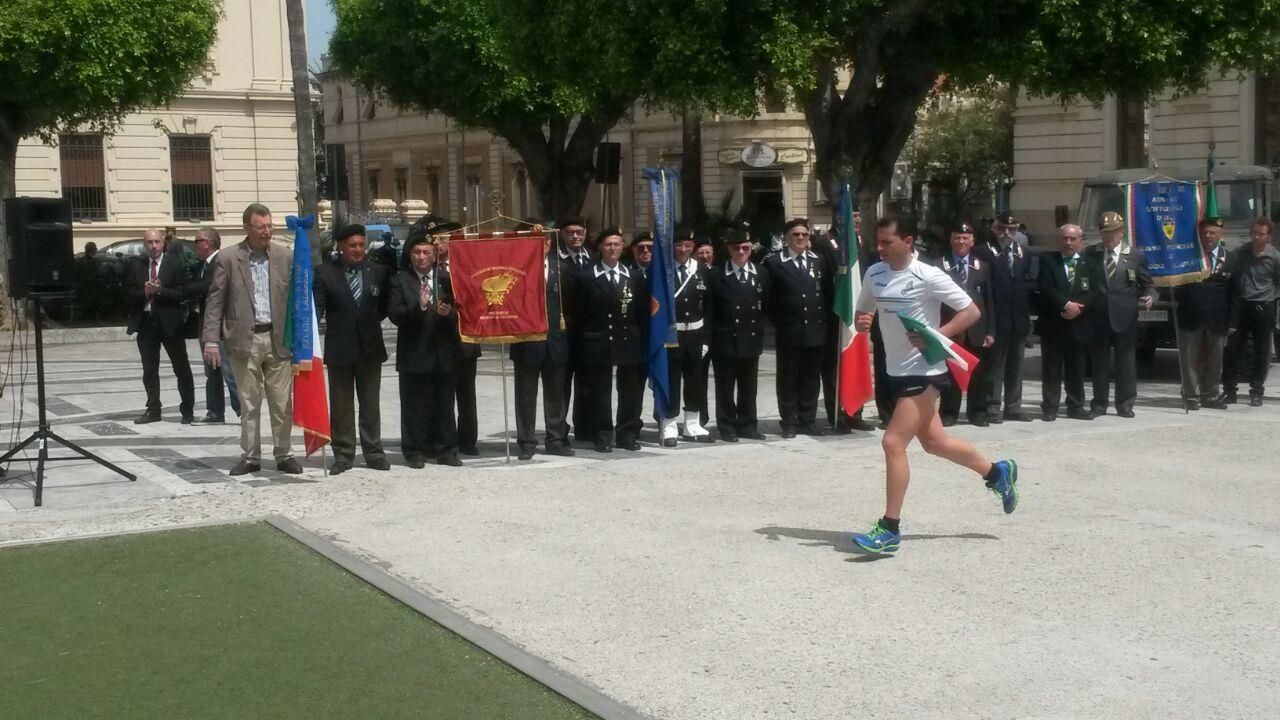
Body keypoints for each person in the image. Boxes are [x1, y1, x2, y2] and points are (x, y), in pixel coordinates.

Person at [850, 215, 1019, 555]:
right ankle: (997, 472)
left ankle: (889, 529)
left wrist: (935, 335)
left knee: (892, 442)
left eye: (887, 242)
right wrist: (862, 320)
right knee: (935, 442)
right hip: (893, 372)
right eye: (878, 242)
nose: (879, 248)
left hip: (926, 372)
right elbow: (862, 313)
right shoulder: (875, 273)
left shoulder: (927, 275)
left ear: (908, 241)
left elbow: (970, 311)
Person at [202, 204, 301, 476]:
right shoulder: (228, 258)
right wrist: (211, 339)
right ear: (247, 228)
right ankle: (250, 457)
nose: (268, 231)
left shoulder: (285, 256)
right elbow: (215, 300)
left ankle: (284, 454)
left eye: (270, 226)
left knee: (282, 403)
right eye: (262, 227)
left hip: (279, 339)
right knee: (249, 403)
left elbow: (296, 297)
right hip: (243, 340)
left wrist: (302, 337)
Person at [314, 224, 390, 474]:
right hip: (340, 348)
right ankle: (344, 454)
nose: (358, 250)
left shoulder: (378, 272)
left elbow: (382, 309)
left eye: (361, 244)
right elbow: (318, 309)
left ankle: (374, 452)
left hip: (370, 347)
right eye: (352, 245)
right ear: (340, 247)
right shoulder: (326, 273)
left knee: (370, 404)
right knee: (341, 405)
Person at [387, 233, 464, 467]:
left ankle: (447, 449)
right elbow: (395, 315)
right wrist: (419, 307)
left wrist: (448, 314)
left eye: (426, 252)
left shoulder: (446, 278)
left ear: (434, 255)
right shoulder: (399, 280)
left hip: (443, 351)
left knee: (444, 404)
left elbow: (463, 311)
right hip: (414, 352)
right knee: (415, 405)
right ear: (410, 256)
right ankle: (415, 450)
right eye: (417, 253)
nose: (421, 257)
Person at [568, 228, 648, 452]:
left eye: (617, 244)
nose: (613, 248)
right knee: (600, 392)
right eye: (608, 245)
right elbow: (579, 314)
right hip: (598, 341)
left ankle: (627, 433)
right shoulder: (586, 277)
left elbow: (641, 313)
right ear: (600, 248)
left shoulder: (633, 277)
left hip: (628, 340)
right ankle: (602, 434)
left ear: (623, 247)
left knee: (630, 391)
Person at [510, 232, 576, 460]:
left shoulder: (561, 270)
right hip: (526, 341)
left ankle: (556, 438)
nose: (542, 245)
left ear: (550, 243)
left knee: (556, 394)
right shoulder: (516, 269)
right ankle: (526, 441)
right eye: (535, 241)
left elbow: (572, 304)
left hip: (556, 340)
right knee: (526, 396)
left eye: (545, 241)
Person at [764, 218, 831, 438]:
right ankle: (790, 421)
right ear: (786, 238)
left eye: (804, 234)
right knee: (788, 378)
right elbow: (769, 298)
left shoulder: (818, 260)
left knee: (811, 378)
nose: (800, 238)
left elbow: (826, 292)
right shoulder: (774, 263)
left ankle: (808, 420)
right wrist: (780, 322)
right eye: (796, 235)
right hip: (789, 331)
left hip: (815, 329)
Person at [1085, 211, 1155, 418]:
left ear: (1121, 232)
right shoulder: (1091, 254)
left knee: (1126, 362)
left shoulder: (1134, 256)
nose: (1109, 237)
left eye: (1113, 232)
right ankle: (1099, 403)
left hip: (1125, 316)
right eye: (1105, 232)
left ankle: (1125, 403)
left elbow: (1148, 283)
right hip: (1098, 316)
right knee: (1099, 363)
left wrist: (1151, 296)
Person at [929, 222, 995, 427]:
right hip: (951, 328)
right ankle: (948, 412)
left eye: (965, 238)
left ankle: (978, 412)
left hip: (976, 328)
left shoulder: (982, 266)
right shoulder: (939, 266)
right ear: (951, 240)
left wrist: (991, 331)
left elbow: (990, 301)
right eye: (957, 237)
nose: (961, 241)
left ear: (972, 241)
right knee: (950, 373)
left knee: (978, 373)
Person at [127, 228, 196, 424]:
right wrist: (145, 292)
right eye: (149, 242)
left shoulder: (175, 264)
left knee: (181, 367)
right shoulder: (137, 265)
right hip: (147, 322)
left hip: (170, 323)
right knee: (149, 368)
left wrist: (161, 291)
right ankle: (153, 409)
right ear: (144, 244)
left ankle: (187, 410)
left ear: (163, 243)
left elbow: (183, 293)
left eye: (157, 241)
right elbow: (128, 295)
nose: (154, 246)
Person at [708, 229, 769, 441]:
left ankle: (748, 425)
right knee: (725, 387)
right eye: (737, 248)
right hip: (725, 339)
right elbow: (710, 309)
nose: (741, 251)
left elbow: (767, 305)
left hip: (751, 339)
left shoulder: (761, 273)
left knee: (748, 386)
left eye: (745, 247)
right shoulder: (716, 275)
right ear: (729, 249)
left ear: (751, 249)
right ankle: (727, 425)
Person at [973, 212, 1034, 423]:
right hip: (995, 319)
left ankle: (1014, 406)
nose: (1006, 233)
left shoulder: (1022, 253)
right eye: (1001, 228)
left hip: (1018, 319)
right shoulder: (982, 252)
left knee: (1016, 365)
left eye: (1012, 229)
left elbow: (1025, 287)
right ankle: (992, 406)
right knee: (995, 366)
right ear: (993, 228)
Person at [1037, 223, 1099, 421]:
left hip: (1079, 324)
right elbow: (1044, 286)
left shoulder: (1090, 264)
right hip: (1054, 323)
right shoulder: (1048, 260)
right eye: (1065, 238)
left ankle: (1076, 406)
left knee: (1077, 368)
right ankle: (1050, 407)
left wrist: (1077, 308)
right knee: (1051, 368)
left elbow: (1095, 291)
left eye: (1073, 239)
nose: (1068, 242)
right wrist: (1065, 304)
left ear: (1081, 241)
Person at [1173, 217, 1232, 410]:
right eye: (1204, 232)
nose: (1207, 236)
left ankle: (1210, 395)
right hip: (1190, 317)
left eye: (1212, 232)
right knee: (1189, 360)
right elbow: (1177, 286)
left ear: (1220, 234)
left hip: (1218, 319)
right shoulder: (1188, 258)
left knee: (1215, 361)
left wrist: (1234, 321)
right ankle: (1190, 395)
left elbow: (1236, 293)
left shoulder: (1230, 258)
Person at [1221, 216, 1280, 406]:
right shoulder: (1240, 253)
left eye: (1261, 234)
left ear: (1268, 236)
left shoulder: (1275, 257)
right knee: (1232, 350)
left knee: (1261, 352)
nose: (1256, 237)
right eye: (1254, 233)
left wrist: (1271, 298)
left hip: (1264, 307)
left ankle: (1256, 391)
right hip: (1241, 306)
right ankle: (1229, 390)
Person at [662, 229, 712, 445]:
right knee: (671, 380)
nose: (683, 250)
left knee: (695, 380)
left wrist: (706, 340)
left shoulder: (702, 270)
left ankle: (692, 423)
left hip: (695, 334)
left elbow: (710, 308)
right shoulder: (663, 271)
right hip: (671, 334)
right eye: (679, 245)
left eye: (688, 246)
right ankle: (669, 424)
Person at [185, 227, 240, 423]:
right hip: (207, 326)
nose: (195, 245)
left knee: (229, 371)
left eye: (197, 241)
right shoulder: (203, 265)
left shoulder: (220, 261)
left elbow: (208, 288)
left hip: (221, 328)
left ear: (206, 243)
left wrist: (185, 290)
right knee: (212, 371)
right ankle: (215, 412)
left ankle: (243, 412)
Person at [436, 231, 481, 455]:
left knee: (466, 395)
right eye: (434, 238)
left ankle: (468, 440)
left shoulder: (467, 267)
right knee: (442, 395)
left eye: (442, 239)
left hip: (465, 339)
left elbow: (476, 302)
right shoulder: (429, 268)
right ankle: (445, 439)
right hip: (436, 342)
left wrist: (452, 313)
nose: (437, 243)